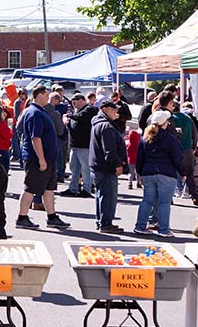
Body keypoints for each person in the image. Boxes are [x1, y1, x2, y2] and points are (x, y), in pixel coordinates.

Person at [15, 85, 70, 229]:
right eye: (46, 95)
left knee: (49, 188)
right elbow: (35, 138)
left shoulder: (40, 111)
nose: (48, 98)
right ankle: (22, 217)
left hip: (47, 158)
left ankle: (52, 217)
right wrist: (41, 159)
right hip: (37, 158)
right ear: (39, 96)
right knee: (30, 188)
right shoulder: (35, 113)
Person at [134, 110, 184, 237]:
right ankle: (163, 229)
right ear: (165, 124)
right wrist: (183, 172)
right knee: (164, 203)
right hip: (166, 173)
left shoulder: (145, 138)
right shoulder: (170, 139)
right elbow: (177, 158)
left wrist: (140, 173)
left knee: (147, 201)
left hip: (148, 173)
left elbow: (139, 158)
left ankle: (140, 226)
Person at [90, 97, 127, 233]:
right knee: (108, 197)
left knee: (102, 196)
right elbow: (109, 150)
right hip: (106, 167)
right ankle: (105, 224)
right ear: (105, 109)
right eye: (113, 110)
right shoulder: (106, 126)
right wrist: (117, 165)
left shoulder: (99, 123)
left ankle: (102, 222)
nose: (115, 113)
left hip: (98, 165)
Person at [62, 93, 97, 197]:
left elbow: (81, 117)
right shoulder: (77, 111)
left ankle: (87, 189)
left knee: (85, 168)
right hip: (75, 145)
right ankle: (73, 188)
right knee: (74, 168)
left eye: (75, 100)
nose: (73, 103)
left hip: (84, 145)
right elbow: (73, 123)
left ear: (82, 100)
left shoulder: (89, 109)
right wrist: (68, 120)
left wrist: (69, 116)